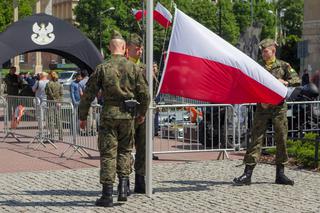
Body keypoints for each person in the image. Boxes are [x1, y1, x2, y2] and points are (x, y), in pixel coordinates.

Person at [79, 30, 149, 207]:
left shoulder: (103, 68)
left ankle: (107, 194)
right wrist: (141, 113)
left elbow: (88, 94)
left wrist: (83, 116)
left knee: (108, 153)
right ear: (124, 48)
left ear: (110, 48)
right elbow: (145, 94)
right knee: (125, 151)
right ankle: (124, 187)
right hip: (128, 116)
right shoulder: (134, 67)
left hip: (109, 115)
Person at [233, 38, 300, 186]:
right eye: (262, 51)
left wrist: (285, 82)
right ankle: (247, 174)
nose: (263, 54)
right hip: (262, 108)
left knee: (281, 140)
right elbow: (250, 85)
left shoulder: (283, 65)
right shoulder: (257, 66)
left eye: (265, 51)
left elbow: (297, 80)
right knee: (255, 140)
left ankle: (280, 174)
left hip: (278, 109)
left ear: (273, 51)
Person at [126, 33, 159, 194]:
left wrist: (154, 75)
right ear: (128, 49)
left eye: (141, 49)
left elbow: (153, 90)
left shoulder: (145, 67)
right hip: (127, 113)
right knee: (124, 147)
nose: (139, 52)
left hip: (143, 113)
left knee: (143, 147)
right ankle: (124, 180)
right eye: (136, 49)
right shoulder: (124, 66)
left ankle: (140, 179)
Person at [45, 71, 64, 140]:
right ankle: (61, 135)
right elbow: (61, 94)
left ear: (51, 76)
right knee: (59, 119)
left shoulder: (48, 84)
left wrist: (55, 101)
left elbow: (48, 93)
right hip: (58, 104)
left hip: (51, 103)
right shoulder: (59, 84)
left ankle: (52, 135)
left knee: (51, 120)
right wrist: (59, 102)